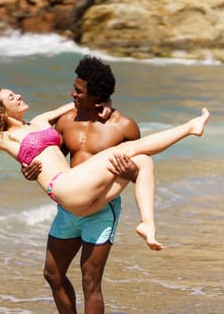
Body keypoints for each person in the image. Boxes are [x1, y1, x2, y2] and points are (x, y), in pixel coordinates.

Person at [0, 84, 209, 252]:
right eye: (12, 97)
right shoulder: (4, 137)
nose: (19, 96)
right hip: (64, 188)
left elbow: (75, 103)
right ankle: (190, 128)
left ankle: (147, 225)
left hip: (80, 195)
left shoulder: (40, 121)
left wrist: (97, 94)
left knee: (141, 161)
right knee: (125, 150)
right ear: (1, 109)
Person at [20, 55, 150, 313]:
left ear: (97, 96)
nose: (72, 94)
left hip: (102, 209)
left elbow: (142, 169)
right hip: (69, 206)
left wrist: (132, 172)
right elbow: (51, 157)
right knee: (52, 274)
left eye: (79, 91)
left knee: (91, 282)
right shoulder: (66, 121)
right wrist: (30, 170)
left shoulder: (124, 127)